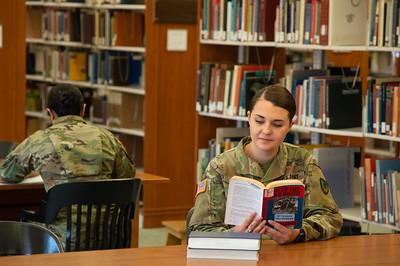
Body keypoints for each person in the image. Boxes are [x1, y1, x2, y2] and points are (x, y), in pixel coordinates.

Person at [189, 85, 343, 244]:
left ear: (291, 125)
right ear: (248, 118)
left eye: (277, 124)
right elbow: (199, 231)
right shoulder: (220, 167)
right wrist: (234, 233)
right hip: (238, 255)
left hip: (289, 256)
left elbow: (331, 218)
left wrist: (298, 233)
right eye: (259, 121)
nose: (266, 130)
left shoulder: (303, 162)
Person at [0, 84, 135, 245]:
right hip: (108, 237)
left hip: (60, 240)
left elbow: (8, 173)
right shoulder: (108, 138)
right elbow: (127, 176)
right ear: (83, 109)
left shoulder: (39, 141)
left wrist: (33, 171)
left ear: (50, 113)